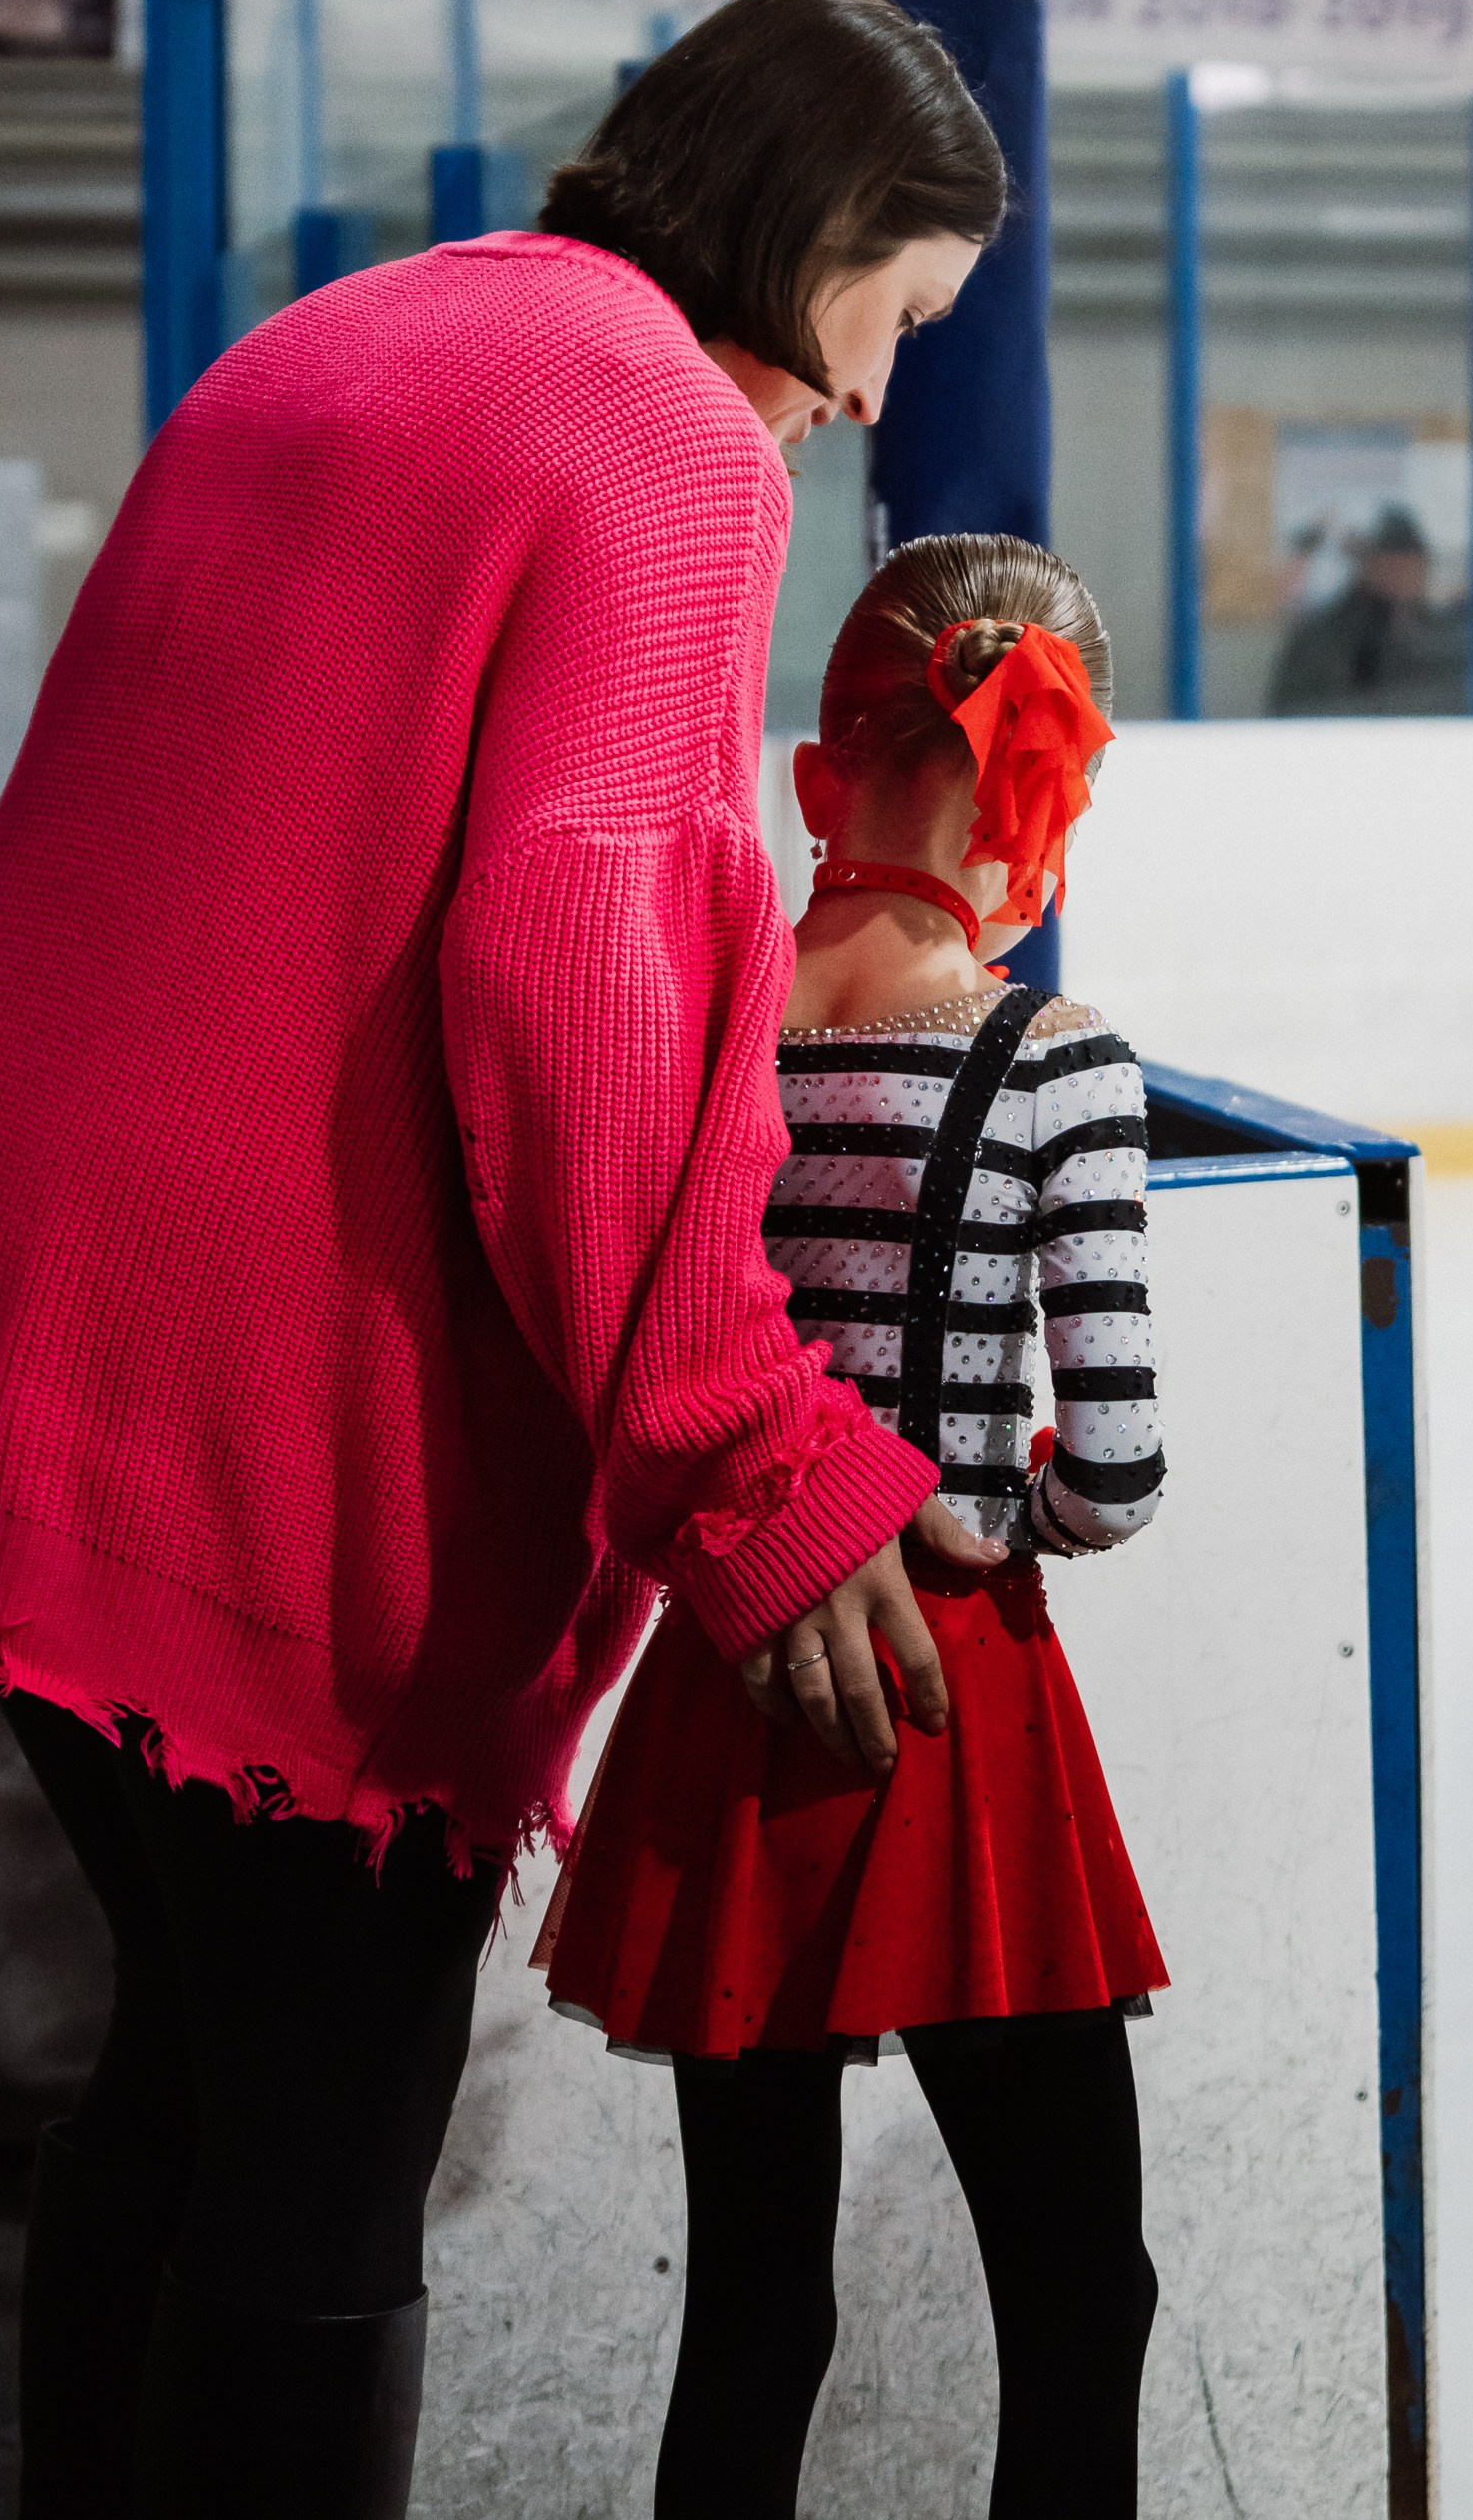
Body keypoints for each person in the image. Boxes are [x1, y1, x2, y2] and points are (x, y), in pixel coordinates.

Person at [0, 0, 1007, 2520]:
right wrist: (748, 1459)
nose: (874, 396)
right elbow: (567, 973)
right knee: (326, 2147)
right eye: (894, 320)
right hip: (238, 1401)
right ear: (806, 240)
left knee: (198, 2064)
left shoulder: (364, 330)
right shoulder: (670, 433)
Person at [540, 535, 1164, 2520]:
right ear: (1043, 786)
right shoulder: (1048, 1062)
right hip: (948, 1694)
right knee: (1077, 2281)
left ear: (835, 746)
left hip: (737, 1669)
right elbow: (1121, 1462)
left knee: (750, 2297)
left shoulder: (704, 1022)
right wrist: (1032, 1507)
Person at [1267, 505, 1471, 716]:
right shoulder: (1325, 638)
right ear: (1369, 568)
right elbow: (1293, 711)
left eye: (1411, 565)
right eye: (1390, 565)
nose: (1402, 576)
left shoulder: (1446, 634)